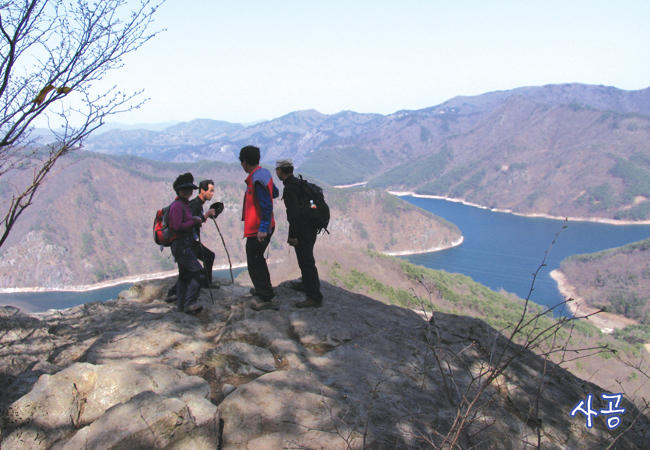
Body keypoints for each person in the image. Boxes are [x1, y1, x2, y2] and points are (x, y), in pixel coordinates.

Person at [275, 158, 323, 308]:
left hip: (302, 230)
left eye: (277, 170)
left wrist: (293, 234)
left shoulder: (290, 188)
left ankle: (314, 297)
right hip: (311, 227)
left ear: (280, 171)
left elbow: (293, 214)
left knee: (306, 261)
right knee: (305, 258)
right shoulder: (300, 183)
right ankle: (306, 284)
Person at [239, 145, 279, 310]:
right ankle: (263, 289)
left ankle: (266, 298)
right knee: (257, 259)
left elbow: (267, 205)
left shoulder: (256, 179)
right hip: (261, 227)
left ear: (245, 162)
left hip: (259, 229)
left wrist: (263, 228)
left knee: (254, 261)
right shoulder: (264, 174)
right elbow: (275, 193)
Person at [168, 172, 206, 315]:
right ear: (178, 190)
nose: (188, 192)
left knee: (184, 276)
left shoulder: (183, 204)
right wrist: (194, 221)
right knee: (199, 273)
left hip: (183, 245)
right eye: (185, 189)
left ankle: (181, 305)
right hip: (181, 246)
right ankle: (190, 302)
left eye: (190, 189)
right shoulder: (178, 205)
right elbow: (177, 226)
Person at [188, 179, 218, 288]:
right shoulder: (195, 205)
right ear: (202, 191)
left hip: (190, 241)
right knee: (208, 256)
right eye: (210, 191)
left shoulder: (197, 204)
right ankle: (206, 283)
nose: (212, 193)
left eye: (213, 191)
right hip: (187, 242)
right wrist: (206, 215)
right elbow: (190, 221)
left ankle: (206, 282)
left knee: (208, 256)